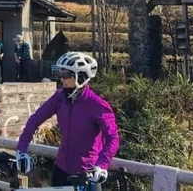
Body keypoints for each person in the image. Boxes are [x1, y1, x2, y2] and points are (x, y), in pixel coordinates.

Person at [15, 52, 119, 189]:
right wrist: (21, 149)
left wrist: (102, 165)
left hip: (86, 174)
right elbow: (35, 119)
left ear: (80, 77)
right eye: (60, 74)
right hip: (61, 170)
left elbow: (113, 138)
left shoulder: (98, 106)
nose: (62, 79)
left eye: (66, 75)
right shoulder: (59, 97)